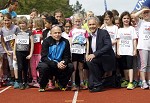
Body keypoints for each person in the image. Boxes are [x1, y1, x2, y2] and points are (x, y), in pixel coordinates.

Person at [38, 26, 74, 92]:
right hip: (49, 63)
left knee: (70, 66)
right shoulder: (46, 41)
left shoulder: (65, 42)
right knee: (43, 66)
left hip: (60, 64)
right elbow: (44, 57)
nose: (57, 35)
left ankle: (62, 83)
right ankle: (43, 85)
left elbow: (67, 57)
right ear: (51, 34)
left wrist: (63, 62)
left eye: (59, 33)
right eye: (55, 33)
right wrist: (55, 64)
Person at [86, 16, 115, 92]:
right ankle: (99, 82)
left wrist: (95, 54)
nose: (92, 26)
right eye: (90, 25)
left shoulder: (103, 32)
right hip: (97, 61)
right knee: (90, 86)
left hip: (106, 59)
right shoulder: (89, 36)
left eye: (93, 24)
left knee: (90, 61)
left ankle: (98, 85)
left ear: (97, 24)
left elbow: (108, 46)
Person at [117, 11, 137, 90]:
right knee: (124, 67)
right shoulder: (120, 30)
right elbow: (118, 40)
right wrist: (118, 50)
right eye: (124, 18)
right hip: (122, 51)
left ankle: (131, 82)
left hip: (129, 51)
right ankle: (126, 80)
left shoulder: (132, 29)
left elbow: (134, 40)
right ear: (121, 19)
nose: (126, 20)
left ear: (130, 19)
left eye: (128, 18)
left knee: (130, 66)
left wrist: (135, 49)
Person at [131, 7, 150, 89]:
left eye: (147, 13)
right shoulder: (141, 22)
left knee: (149, 65)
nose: (146, 14)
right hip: (143, 47)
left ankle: (148, 80)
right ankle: (143, 82)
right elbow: (133, 15)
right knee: (144, 65)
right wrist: (143, 10)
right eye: (144, 13)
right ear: (142, 14)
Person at [69, 13, 89, 91]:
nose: (77, 23)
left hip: (82, 51)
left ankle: (81, 82)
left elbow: (87, 42)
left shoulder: (84, 31)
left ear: (82, 21)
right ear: (73, 22)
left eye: (79, 21)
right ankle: (73, 83)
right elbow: (70, 42)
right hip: (74, 51)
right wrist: (70, 52)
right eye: (76, 21)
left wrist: (86, 53)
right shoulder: (72, 31)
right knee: (74, 68)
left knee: (81, 68)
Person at [13, 16, 34, 90]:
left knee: (25, 68)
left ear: (26, 24)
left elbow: (32, 43)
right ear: (18, 24)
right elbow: (15, 43)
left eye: (24, 23)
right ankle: (20, 82)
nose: (22, 25)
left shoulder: (29, 32)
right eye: (20, 23)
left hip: (26, 52)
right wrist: (14, 54)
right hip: (19, 52)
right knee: (20, 67)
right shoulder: (17, 32)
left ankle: (26, 81)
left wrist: (30, 54)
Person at [0, 13, 20, 86]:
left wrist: (15, 51)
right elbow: (2, 41)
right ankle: (12, 78)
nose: (6, 22)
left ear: (11, 20)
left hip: (16, 49)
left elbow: (19, 38)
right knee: (10, 65)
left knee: (16, 65)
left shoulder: (15, 28)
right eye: (5, 20)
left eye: (8, 20)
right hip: (8, 50)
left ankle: (18, 79)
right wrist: (6, 50)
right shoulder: (2, 30)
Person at [29, 17, 43, 87]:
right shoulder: (32, 32)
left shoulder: (42, 32)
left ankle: (40, 80)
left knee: (38, 66)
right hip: (33, 52)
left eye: (34, 23)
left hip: (39, 52)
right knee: (32, 66)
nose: (33, 24)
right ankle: (34, 79)